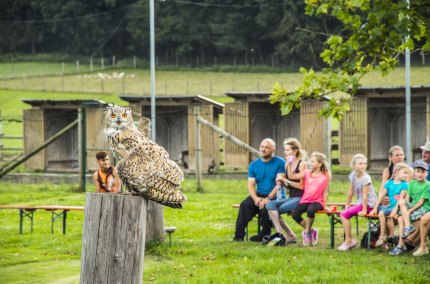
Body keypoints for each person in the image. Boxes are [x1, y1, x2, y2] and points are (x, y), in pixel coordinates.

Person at [233, 138, 286, 242]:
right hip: (259, 194)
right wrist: (256, 198)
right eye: (262, 147)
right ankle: (238, 236)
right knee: (245, 205)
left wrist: (268, 198)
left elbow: (279, 184)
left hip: (275, 195)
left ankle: (264, 235)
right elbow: (251, 185)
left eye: (267, 147)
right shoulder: (254, 165)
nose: (263, 149)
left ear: (273, 150)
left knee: (267, 207)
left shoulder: (280, 163)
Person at [265, 138, 307, 246]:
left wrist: (285, 180)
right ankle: (281, 234)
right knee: (270, 205)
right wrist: (280, 182)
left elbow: (301, 186)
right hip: (292, 197)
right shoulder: (287, 164)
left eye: (287, 150)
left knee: (275, 211)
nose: (285, 152)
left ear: (295, 151)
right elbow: (288, 184)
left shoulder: (302, 164)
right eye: (285, 150)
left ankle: (287, 235)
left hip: (301, 197)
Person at [337, 154, 377, 251]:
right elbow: (351, 191)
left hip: (369, 205)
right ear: (353, 165)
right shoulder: (353, 176)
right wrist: (347, 204)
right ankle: (349, 240)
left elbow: (365, 196)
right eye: (360, 164)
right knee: (343, 213)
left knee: (343, 214)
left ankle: (349, 241)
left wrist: (364, 210)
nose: (363, 166)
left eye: (364, 164)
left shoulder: (366, 178)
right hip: (360, 203)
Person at [389, 159, 430, 255]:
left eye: (422, 172)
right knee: (401, 205)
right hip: (413, 207)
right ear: (414, 173)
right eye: (418, 171)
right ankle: (403, 238)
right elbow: (407, 198)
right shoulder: (412, 183)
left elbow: (421, 202)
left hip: (423, 208)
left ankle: (401, 245)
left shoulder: (428, 185)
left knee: (400, 218)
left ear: (426, 173)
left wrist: (409, 210)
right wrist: (404, 207)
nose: (420, 174)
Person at [291, 152, 331, 246]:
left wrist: (324, 206)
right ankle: (311, 231)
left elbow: (325, 192)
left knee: (311, 210)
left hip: (318, 201)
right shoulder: (307, 173)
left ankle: (307, 233)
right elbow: (293, 176)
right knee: (295, 214)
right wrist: (290, 164)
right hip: (305, 200)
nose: (309, 163)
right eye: (310, 161)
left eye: (312, 161)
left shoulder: (325, 176)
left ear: (320, 163)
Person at [369, 162, 410, 249]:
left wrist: (395, 210)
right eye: (405, 172)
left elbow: (401, 200)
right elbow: (381, 196)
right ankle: (382, 235)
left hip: (399, 208)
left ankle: (391, 235)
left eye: (407, 173)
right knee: (381, 212)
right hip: (390, 207)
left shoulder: (405, 184)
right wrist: (375, 208)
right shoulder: (389, 183)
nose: (407, 175)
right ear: (396, 172)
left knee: (388, 216)